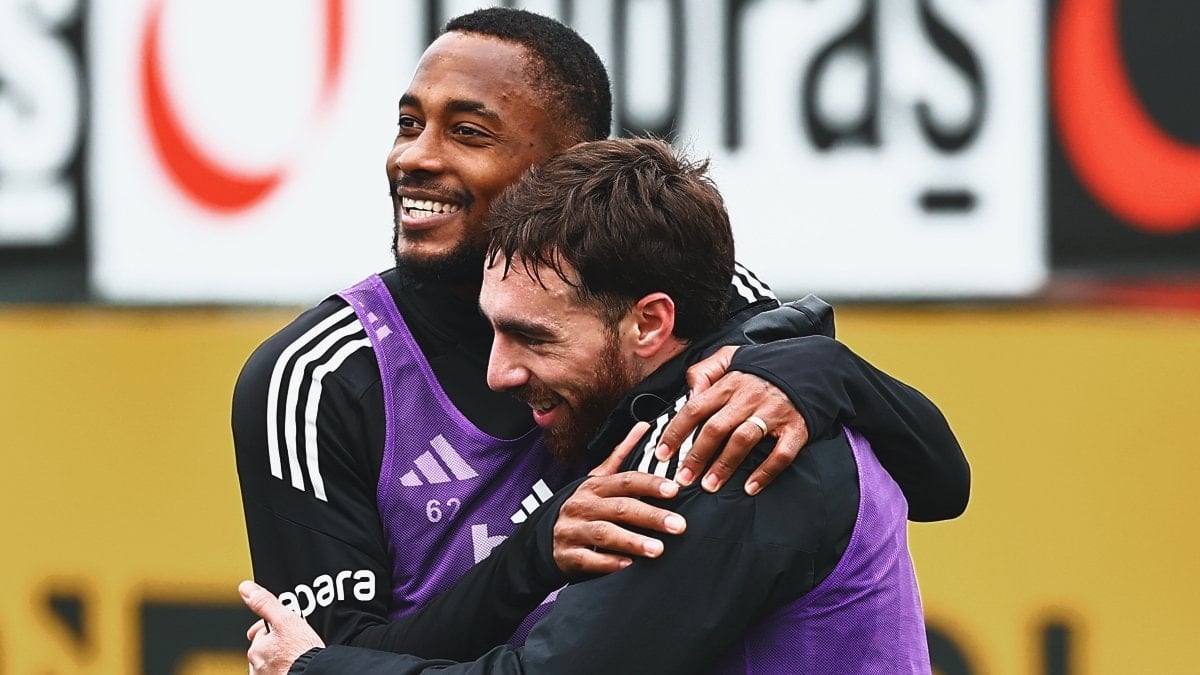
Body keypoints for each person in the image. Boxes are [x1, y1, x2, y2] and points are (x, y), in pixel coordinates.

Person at [232, 6, 967, 656]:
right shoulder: (314, 377)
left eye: (467, 132)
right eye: (408, 123)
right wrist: (534, 556)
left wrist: (821, 373)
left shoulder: (683, 296)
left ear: (570, 169)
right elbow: (322, 658)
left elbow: (933, 483)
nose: (415, 157)